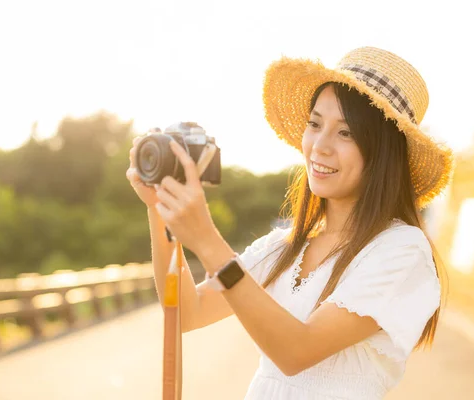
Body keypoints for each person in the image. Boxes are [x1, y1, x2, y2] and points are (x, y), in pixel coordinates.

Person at [126, 46, 454, 400]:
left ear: (383, 152)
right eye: (315, 124)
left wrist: (207, 240)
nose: (320, 146)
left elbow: (296, 351)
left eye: (346, 133)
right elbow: (186, 313)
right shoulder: (282, 248)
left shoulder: (401, 249)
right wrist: (160, 211)